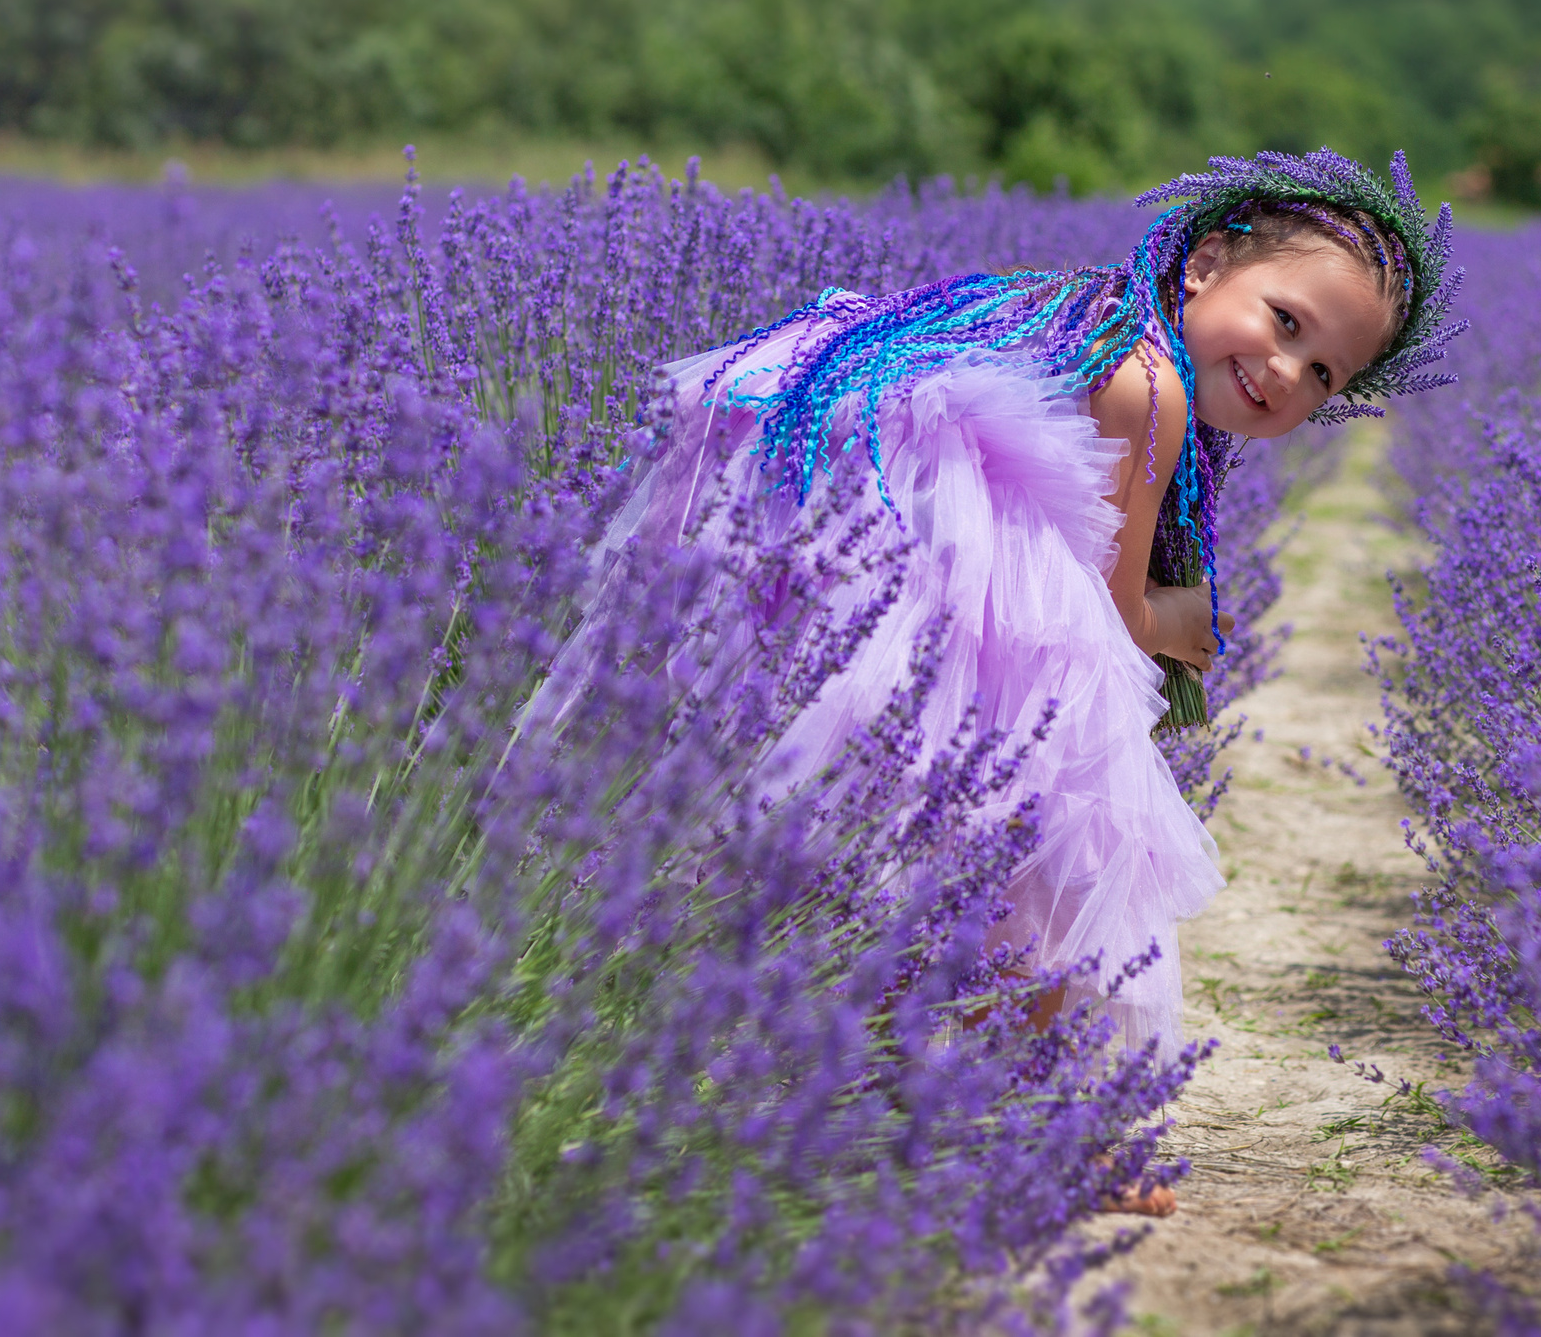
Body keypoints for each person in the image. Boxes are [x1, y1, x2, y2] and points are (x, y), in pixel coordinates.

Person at [526, 148, 1459, 1214]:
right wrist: (1193, 628)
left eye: (1323, 376)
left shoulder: (1103, 314)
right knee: (1058, 869)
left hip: (860, 566)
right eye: (1285, 324)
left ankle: (890, 1087)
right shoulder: (1147, 388)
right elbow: (1116, 614)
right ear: (1204, 263)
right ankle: (1050, 1133)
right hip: (944, 607)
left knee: (927, 868)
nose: (1286, 375)